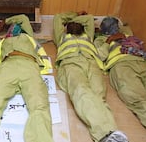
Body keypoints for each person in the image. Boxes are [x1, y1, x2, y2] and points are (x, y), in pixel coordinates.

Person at [0, 14, 54, 142]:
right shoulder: (2, 42)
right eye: (11, 27)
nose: (14, 28)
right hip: (8, 67)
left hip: (30, 66)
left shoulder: (28, 36)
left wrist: (5, 21)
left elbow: (23, 18)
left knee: (39, 104)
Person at [53, 11, 128, 142]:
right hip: (71, 63)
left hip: (92, 64)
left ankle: (110, 136)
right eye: (71, 24)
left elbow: (88, 18)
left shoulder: (88, 36)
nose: (75, 24)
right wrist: (74, 16)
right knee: (81, 91)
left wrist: (76, 19)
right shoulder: (61, 36)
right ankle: (106, 134)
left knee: (98, 96)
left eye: (78, 24)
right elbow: (58, 18)